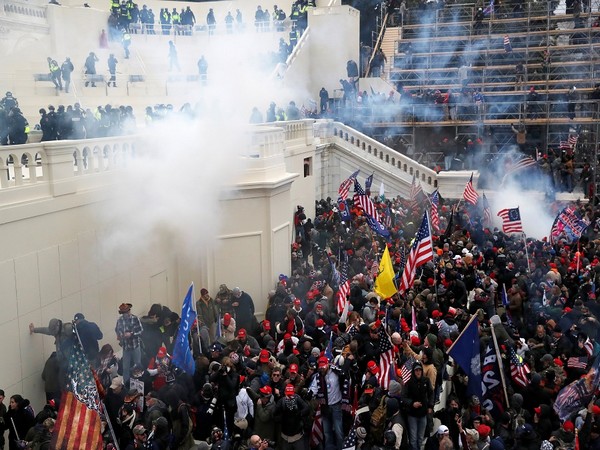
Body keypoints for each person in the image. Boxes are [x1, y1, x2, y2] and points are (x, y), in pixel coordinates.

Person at [115, 302, 144, 387]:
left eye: (127, 311)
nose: (127, 313)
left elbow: (141, 331)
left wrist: (131, 334)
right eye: (124, 312)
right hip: (126, 347)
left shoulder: (135, 319)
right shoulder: (120, 321)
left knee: (138, 365)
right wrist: (121, 335)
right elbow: (117, 330)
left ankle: (139, 382)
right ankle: (127, 384)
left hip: (135, 346)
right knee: (125, 368)